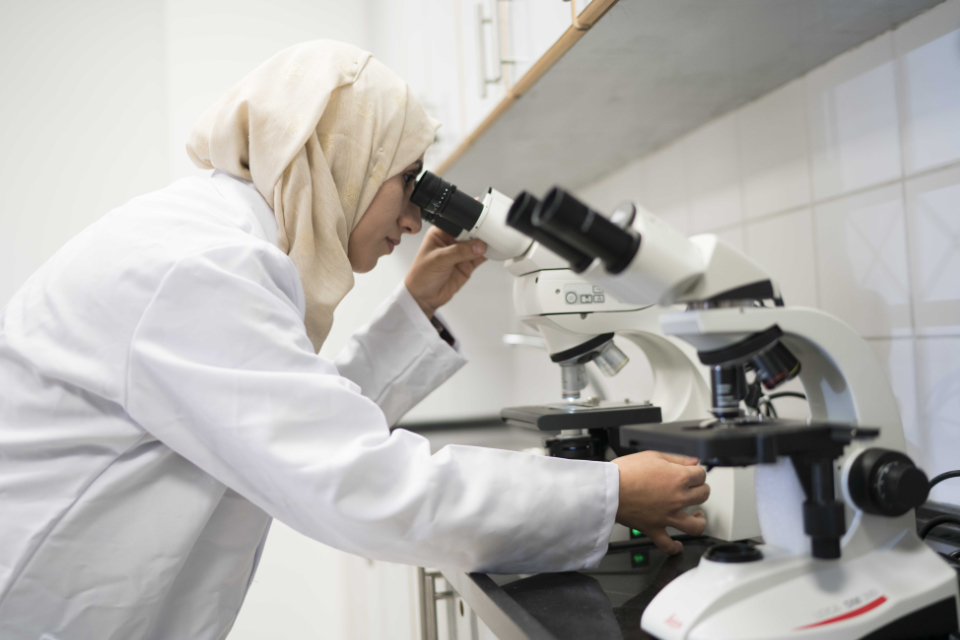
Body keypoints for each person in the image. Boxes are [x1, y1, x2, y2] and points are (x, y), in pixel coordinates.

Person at [0, 41, 708, 639]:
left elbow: (291, 427)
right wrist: (606, 493)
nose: (413, 216)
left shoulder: (214, 241)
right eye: (408, 179)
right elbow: (357, 482)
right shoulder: (201, 267)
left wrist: (414, 306)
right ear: (343, 161)